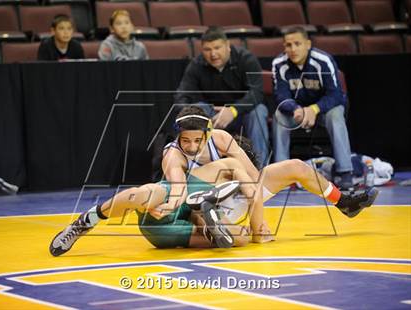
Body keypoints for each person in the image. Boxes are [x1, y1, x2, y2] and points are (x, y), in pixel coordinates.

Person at [49, 106, 378, 256]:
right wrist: (172, 204)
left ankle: (344, 202)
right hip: (177, 209)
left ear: (207, 134)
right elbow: (176, 185)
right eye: (186, 141)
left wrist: (259, 221)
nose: (192, 147)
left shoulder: (221, 139)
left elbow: (252, 178)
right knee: (146, 194)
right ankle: (83, 223)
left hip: (221, 199)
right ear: (178, 137)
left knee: (292, 168)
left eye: (197, 141)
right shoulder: (172, 155)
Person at [271, 26, 354, 190]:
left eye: (297, 44)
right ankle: (281, 173)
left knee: (336, 115)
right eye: (288, 45)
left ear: (308, 44)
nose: (293, 49)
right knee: (279, 115)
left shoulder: (323, 60)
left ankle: (345, 172)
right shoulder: (279, 64)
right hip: (297, 112)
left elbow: (336, 94)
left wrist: (314, 109)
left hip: (324, 110)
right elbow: (281, 96)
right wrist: (296, 109)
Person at [175, 27, 269, 168]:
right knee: (197, 109)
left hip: (241, 113)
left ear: (227, 46)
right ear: (202, 50)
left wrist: (233, 110)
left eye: (217, 48)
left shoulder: (246, 59)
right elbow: (181, 97)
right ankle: (196, 167)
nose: (213, 54)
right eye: (207, 49)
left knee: (259, 111)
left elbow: (256, 93)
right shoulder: (196, 64)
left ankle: (259, 168)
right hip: (212, 115)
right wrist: (197, 115)